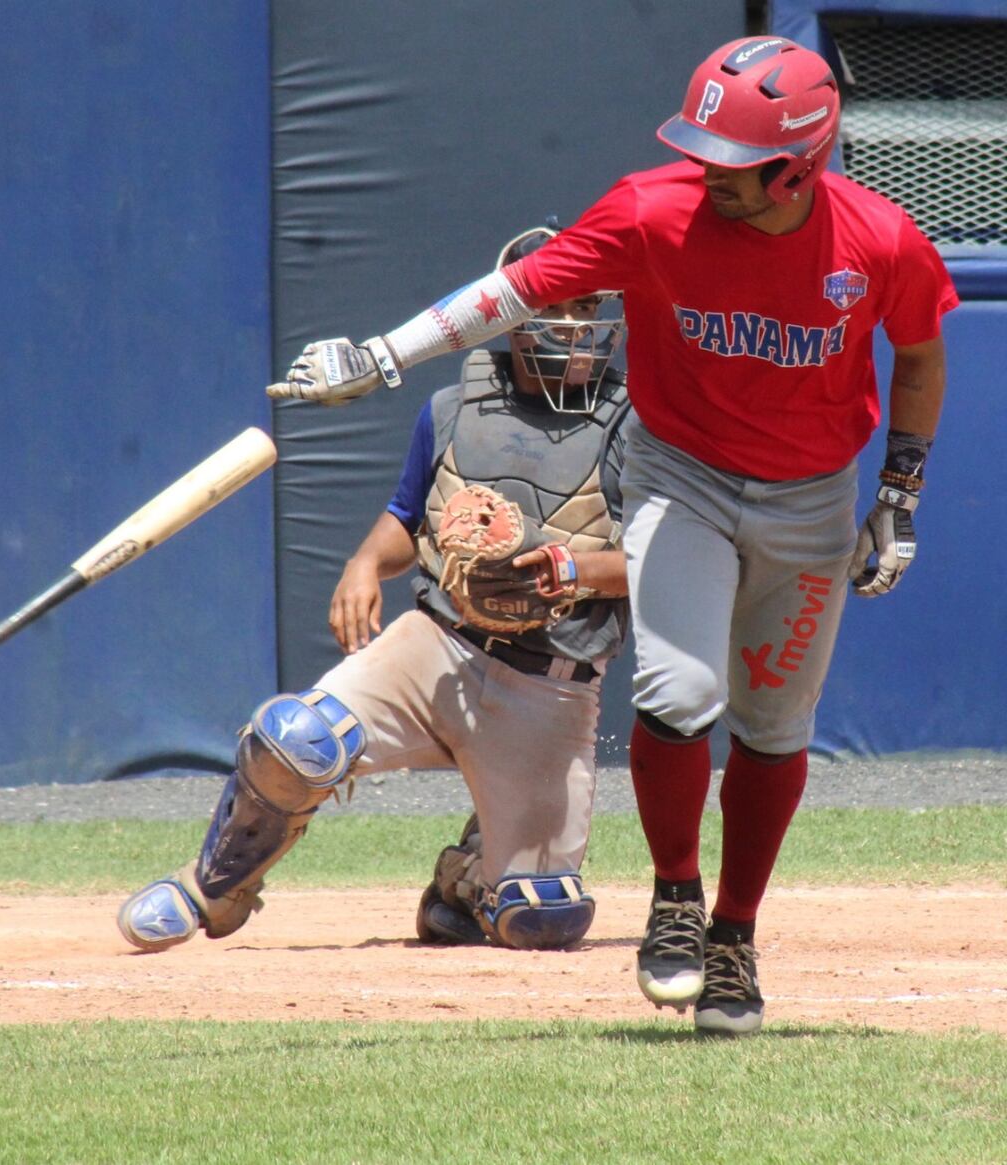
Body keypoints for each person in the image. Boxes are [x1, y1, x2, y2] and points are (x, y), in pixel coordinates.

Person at [265, 37, 957, 1035]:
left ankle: (734, 936)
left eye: (734, 161)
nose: (708, 172)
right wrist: (384, 353)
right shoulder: (650, 208)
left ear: (799, 165)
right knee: (678, 691)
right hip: (684, 475)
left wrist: (899, 493)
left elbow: (923, 358)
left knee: (771, 729)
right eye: (701, 148)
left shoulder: (880, 241)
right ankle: (676, 899)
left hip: (810, 499)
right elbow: (518, 291)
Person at [117, 224, 634, 955]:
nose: (577, 328)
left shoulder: (637, 423)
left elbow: (661, 557)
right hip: (438, 647)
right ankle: (214, 884)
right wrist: (365, 564)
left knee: (541, 917)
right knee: (296, 738)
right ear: (511, 315)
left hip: (548, 684)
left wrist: (577, 569)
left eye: (589, 310)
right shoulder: (455, 409)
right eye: (558, 307)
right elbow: (405, 517)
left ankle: (466, 880)